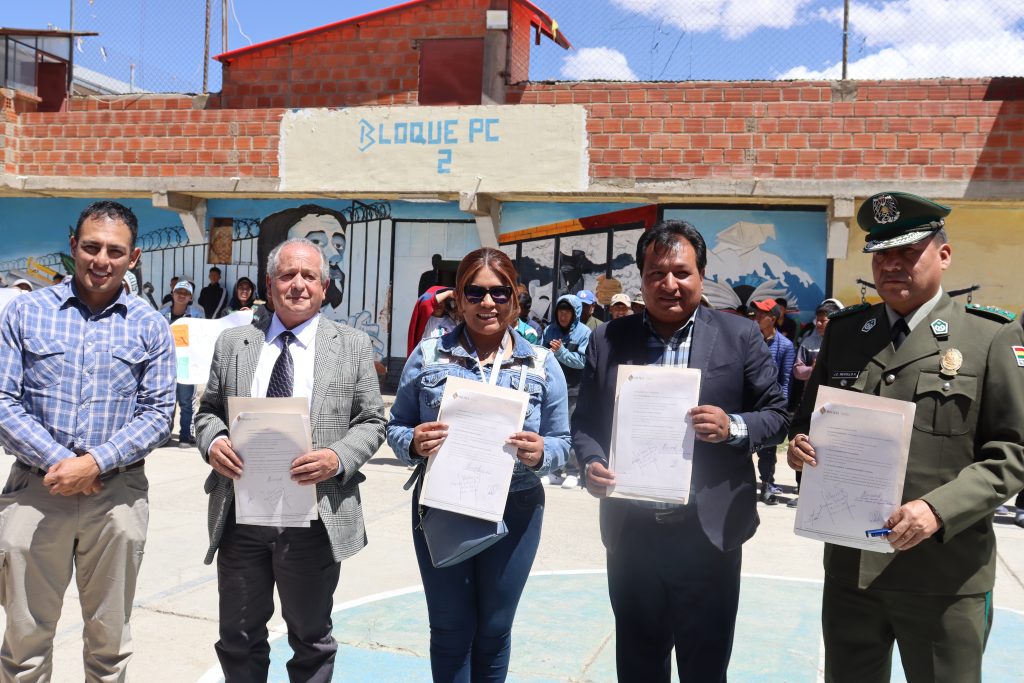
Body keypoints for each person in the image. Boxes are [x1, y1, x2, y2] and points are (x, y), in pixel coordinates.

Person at [787, 191, 1024, 683]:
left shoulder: (989, 336)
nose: (891, 265)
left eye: (908, 252)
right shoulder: (847, 332)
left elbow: (1012, 452)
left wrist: (938, 509)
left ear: (944, 254)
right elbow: (807, 423)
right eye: (881, 254)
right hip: (852, 572)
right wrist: (800, 448)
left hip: (944, 577)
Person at [575, 220, 789, 683]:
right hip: (632, 536)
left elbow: (777, 415)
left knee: (705, 668)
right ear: (641, 278)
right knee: (638, 667)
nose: (668, 284)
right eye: (656, 273)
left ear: (702, 275)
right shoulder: (608, 339)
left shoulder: (739, 336)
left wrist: (733, 426)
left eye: (681, 272)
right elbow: (586, 423)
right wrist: (591, 463)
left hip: (708, 534)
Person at [195, 237, 386, 682]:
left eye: (308, 276)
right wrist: (214, 441)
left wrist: (337, 457)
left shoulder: (353, 345)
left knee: (311, 638)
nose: (298, 284)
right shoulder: (234, 342)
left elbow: (373, 421)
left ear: (324, 287)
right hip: (242, 515)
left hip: (312, 518)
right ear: (269, 284)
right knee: (238, 636)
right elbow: (207, 411)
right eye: (287, 275)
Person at [0, 200, 176, 680]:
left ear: (133, 257)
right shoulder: (26, 313)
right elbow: (4, 400)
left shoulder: (150, 326)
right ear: (73, 245)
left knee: (109, 647)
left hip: (115, 497)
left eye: (115, 251)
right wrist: (62, 463)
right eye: (91, 247)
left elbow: (159, 413)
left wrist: (95, 464)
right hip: (36, 493)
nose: (102, 260)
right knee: (23, 646)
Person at [386, 247, 571, 683]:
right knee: (450, 629)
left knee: (494, 629)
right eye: (475, 292)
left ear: (515, 298)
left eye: (499, 292)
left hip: (516, 507)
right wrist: (413, 442)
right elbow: (395, 426)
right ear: (459, 297)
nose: (488, 302)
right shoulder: (429, 355)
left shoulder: (542, 363)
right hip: (442, 504)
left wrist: (542, 452)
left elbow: (563, 442)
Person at [787, 297, 843, 508]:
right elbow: (797, 371)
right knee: (804, 446)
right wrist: (814, 369)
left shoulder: (846, 344)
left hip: (834, 409)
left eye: (824, 320)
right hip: (809, 405)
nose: (819, 324)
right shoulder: (808, 343)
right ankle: (801, 492)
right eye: (817, 320)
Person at [541, 294, 591, 489]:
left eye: (567, 312)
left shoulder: (584, 332)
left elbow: (583, 362)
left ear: (575, 313)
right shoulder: (549, 330)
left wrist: (561, 352)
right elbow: (541, 354)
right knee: (550, 428)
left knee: (569, 430)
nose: (563, 316)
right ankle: (553, 471)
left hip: (573, 389)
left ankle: (572, 471)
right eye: (560, 311)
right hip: (551, 388)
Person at [750, 298, 795, 505]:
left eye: (763, 313)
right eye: (757, 312)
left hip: (770, 403)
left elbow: (785, 380)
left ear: (773, 318)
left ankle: (766, 485)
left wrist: (780, 408)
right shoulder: (750, 339)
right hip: (749, 401)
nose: (758, 316)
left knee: (768, 449)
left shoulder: (785, 346)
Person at [159, 280, 205, 447]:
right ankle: (165, 436)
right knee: (167, 401)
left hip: (187, 363)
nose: (181, 295)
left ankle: (185, 436)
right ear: (172, 293)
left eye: (186, 293)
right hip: (167, 363)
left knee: (186, 402)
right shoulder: (162, 312)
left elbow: (202, 336)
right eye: (178, 291)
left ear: (190, 297)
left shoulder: (197, 314)